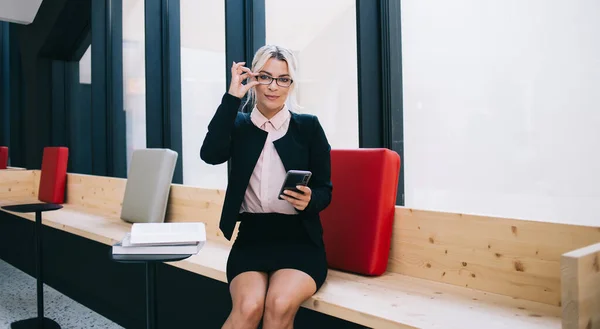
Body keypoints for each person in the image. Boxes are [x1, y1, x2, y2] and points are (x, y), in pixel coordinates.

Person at [200, 44, 333, 329]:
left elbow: (325, 190)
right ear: (253, 80)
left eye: (283, 79)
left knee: (279, 305)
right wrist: (232, 97)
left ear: (291, 84)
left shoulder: (308, 127)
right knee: (248, 307)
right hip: (252, 239)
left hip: (300, 240)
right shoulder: (238, 125)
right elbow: (210, 154)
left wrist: (310, 199)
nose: (273, 86)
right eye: (265, 77)